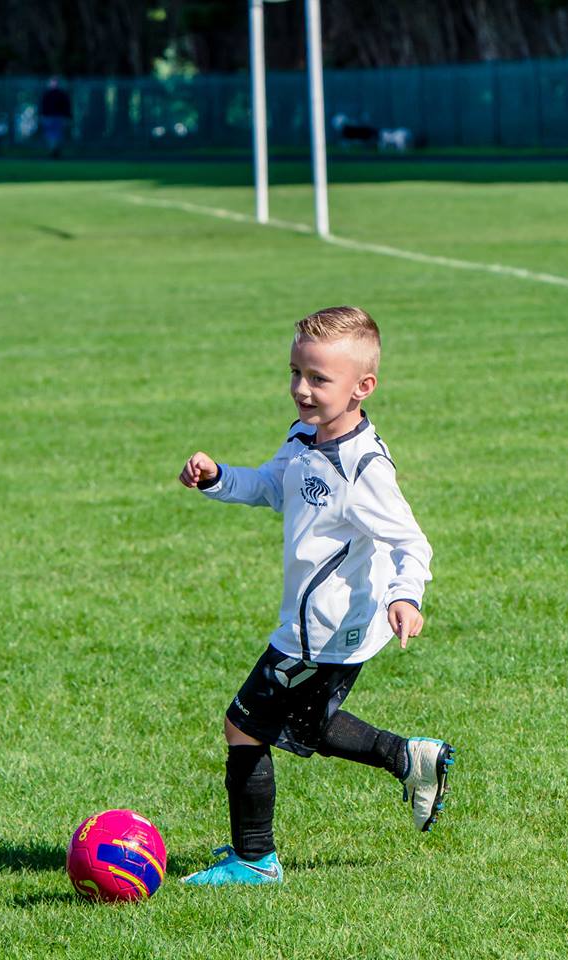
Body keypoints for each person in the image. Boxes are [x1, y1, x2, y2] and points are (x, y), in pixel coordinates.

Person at [178, 306, 455, 886]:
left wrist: (408, 597)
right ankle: (410, 758)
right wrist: (219, 477)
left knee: (243, 725)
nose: (302, 390)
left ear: (363, 388)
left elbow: (411, 541)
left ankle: (255, 860)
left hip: (324, 628)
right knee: (308, 723)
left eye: (319, 379)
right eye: (296, 373)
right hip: (319, 622)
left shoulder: (364, 466)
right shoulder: (306, 436)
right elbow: (273, 486)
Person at [39, 78, 72, 158]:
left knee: (56, 135)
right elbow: (43, 106)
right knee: (52, 135)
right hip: (50, 117)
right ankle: (54, 151)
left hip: (58, 117)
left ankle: (55, 151)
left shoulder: (61, 94)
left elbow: (66, 107)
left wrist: (67, 117)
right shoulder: (47, 94)